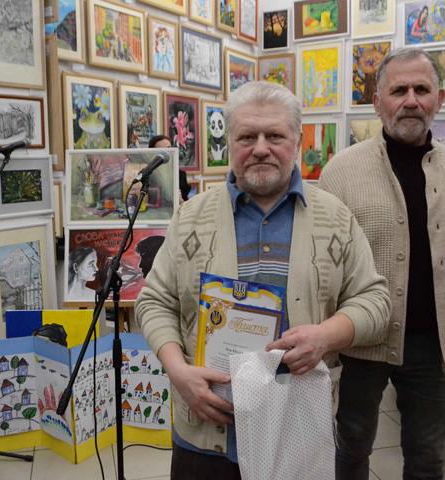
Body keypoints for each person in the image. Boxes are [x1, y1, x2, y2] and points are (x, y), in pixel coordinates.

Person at [136, 81, 391, 479]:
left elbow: (375, 300)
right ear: (229, 143)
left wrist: (326, 336)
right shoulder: (190, 218)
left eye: (275, 136)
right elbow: (154, 301)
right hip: (206, 431)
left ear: (298, 142)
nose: (260, 148)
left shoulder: (335, 218)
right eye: (246, 137)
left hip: (299, 429)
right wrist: (176, 371)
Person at [318, 47, 445, 480]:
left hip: (433, 345)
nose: (411, 100)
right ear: (378, 103)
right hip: (358, 345)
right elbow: (322, 269)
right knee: (350, 448)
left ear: (439, 100)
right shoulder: (340, 172)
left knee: (427, 457)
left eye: (422, 89)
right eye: (399, 91)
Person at [149, 135, 190, 203]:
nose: (166, 153)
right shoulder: (148, 174)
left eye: (169, 149)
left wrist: (180, 200)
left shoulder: (180, 174)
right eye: (162, 151)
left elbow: (185, 205)